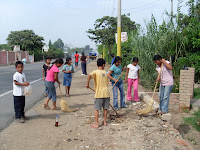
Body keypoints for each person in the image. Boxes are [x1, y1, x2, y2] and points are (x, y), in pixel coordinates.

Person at [86, 58, 110, 128]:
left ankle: (96, 124)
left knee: (97, 109)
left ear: (97, 65)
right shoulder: (105, 72)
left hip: (99, 93)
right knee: (105, 108)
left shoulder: (96, 72)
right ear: (103, 65)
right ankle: (105, 122)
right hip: (106, 93)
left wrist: (87, 84)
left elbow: (89, 75)